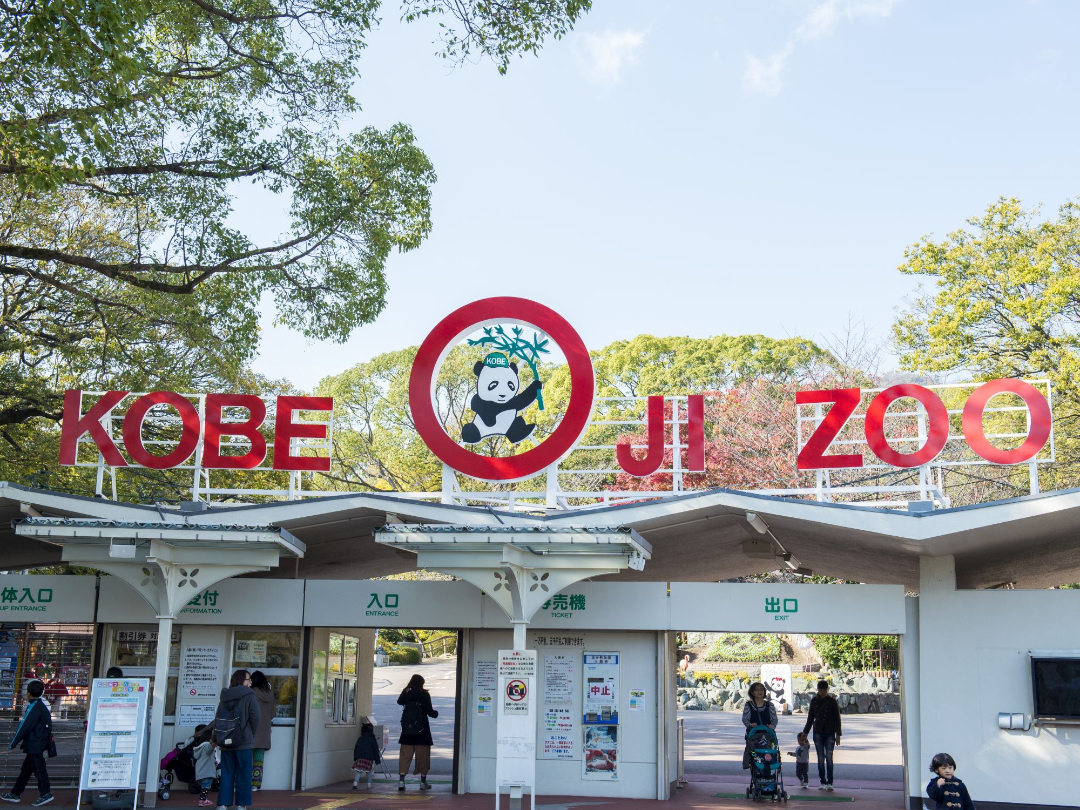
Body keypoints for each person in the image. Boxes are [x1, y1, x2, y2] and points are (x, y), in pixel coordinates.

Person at [1, 680, 54, 806]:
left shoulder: (33, 707)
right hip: (37, 743)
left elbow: (24, 727)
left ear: (28, 693)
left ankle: (45, 793)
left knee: (39, 770)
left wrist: (13, 743)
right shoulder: (42, 706)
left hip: (35, 744)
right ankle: (15, 793)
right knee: (26, 770)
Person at [214, 669, 260, 810]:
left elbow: (218, 718)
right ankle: (241, 804)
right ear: (241, 680)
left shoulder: (225, 695)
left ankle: (223, 804)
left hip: (226, 739)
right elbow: (256, 717)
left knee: (227, 773)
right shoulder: (249, 695)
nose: (250, 682)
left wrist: (215, 738)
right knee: (243, 774)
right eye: (248, 679)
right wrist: (250, 733)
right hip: (243, 742)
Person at [397, 674, 438, 791]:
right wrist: (436, 713)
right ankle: (423, 782)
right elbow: (430, 711)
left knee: (405, 756)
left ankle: (401, 781)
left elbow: (399, 702)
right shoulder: (424, 694)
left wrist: (405, 691)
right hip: (422, 731)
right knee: (423, 757)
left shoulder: (407, 692)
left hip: (407, 731)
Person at [802, 679, 842, 791]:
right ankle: (822, 781)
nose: (822, 692)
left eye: (824, 690)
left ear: (827, 690)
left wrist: (838, 734)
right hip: (818, 732)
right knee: (820, 758)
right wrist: (805, 732)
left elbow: (837, 719)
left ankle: (830, 782)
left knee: (829, 757)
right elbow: (810, 718)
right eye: (820, 690)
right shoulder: (814, 701)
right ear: (818, 690)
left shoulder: (832, 701)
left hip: (830, 731)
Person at [741, 682, 777, 770]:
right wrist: (750, 725)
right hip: (754, 734)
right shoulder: (748, 705)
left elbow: (774, 719)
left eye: (761, 689)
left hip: (767, 734)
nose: (759, 692)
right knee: (754, 754)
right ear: (752, 692)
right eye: (757, 690)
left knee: (770, 753)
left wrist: (772, 725)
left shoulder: (770, 705)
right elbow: (745, 719)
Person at [248, 671, 275, 792]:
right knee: (258, 760)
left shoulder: (251, 693)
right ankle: (255, 784)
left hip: (250, 729)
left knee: (245, 758)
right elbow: (272, 714)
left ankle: (242, 783)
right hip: (264, 730)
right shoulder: (270, 694)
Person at [191, 724, 217, 807]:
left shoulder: (200, 746)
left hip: (200, 771)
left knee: (204, 787)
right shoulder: (207, 745)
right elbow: (209, 750)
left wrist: (214, 761)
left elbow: (203, 757)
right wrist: (214, 743)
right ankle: (202, 800)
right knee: (205, 787)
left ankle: (203, 800)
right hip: (207, 771)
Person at [352, 722, 382, 790]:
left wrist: (355, 758)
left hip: (360, 758)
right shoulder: (372, 739)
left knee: (359, 771)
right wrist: (377, 760)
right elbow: (375, 750)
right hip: (369, 758)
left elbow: (356, 748)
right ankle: (369, 784)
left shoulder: (360, 738)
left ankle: (355, 783)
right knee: (368, 771)